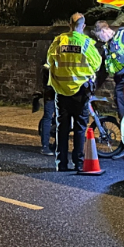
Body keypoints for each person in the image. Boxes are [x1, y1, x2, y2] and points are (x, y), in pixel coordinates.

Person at [46, 12, 102, 171]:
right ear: (83, 26)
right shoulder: (86, 43)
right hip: (80, 92)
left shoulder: (59, 41)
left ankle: (61, 163)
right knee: (79, 129)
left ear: (69, 24)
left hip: (61, 92)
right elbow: (97, 64)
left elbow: (49, 60)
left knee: (61, 128)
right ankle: (78, 163)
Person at [93, 20, 124, 159]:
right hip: (120, 82)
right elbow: (103, 72)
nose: (99, 40)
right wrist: (94, 87)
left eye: (99, 37)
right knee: (122, 112)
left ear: (104, 31)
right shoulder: (107, 47)